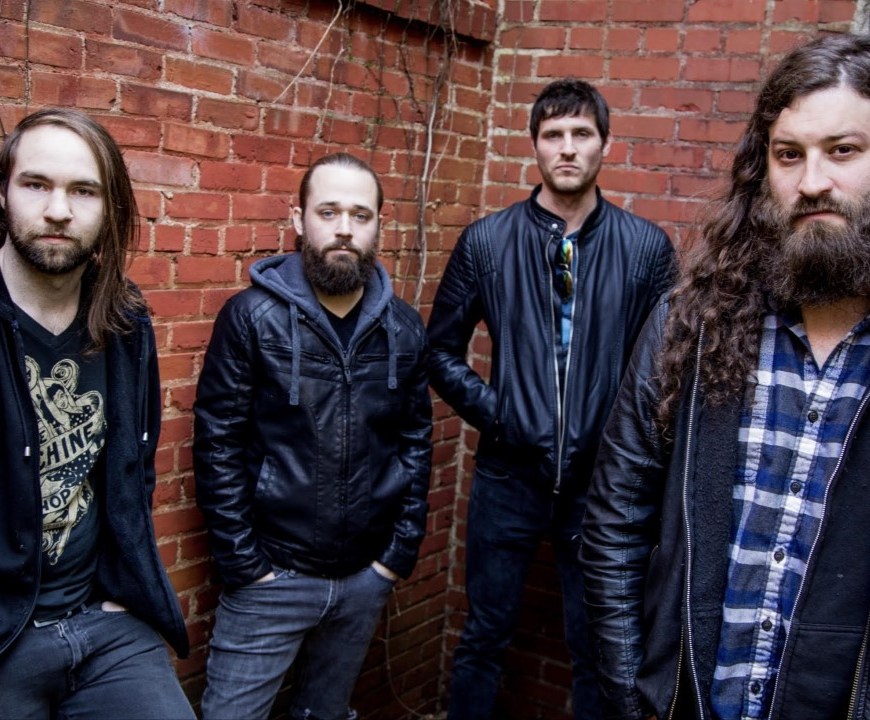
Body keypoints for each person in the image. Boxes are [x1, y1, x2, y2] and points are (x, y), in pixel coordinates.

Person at [580, 33, 870, 720]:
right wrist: (634, 696)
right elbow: (616, 522)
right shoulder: (692, 324)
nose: (812, 182)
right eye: (788, 155)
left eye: (843, 151)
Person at [427, 78, 674, 719]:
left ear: (605, 144)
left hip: (602, 488)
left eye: (581, 134)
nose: (567, 148)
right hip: (508, 477)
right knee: (484, 636)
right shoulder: (488, 242)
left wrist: (622, 444)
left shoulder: (646, 249)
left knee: (598, 650)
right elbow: (439, 351)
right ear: (534, 145)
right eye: (553, 134)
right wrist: (500, 416)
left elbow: (666, 369)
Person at [194, 152, 433, 720]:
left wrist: (394, 557)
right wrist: (247, 565)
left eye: (360, 215)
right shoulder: (251, 318)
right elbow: (217, 442)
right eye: (328, 212)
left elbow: (415, 442)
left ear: (378, 225)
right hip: (271, 578)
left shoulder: (403, 328)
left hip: (364, 577)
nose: (344, 228)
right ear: (299, 220)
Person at [0, 108, 193, 717]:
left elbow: (133, 469)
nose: (59, 210)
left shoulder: (124, 321)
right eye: (36, 184)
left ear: (110, 209)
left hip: (102, 621)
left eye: (84, 191)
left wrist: (123, 587)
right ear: (3, 192)